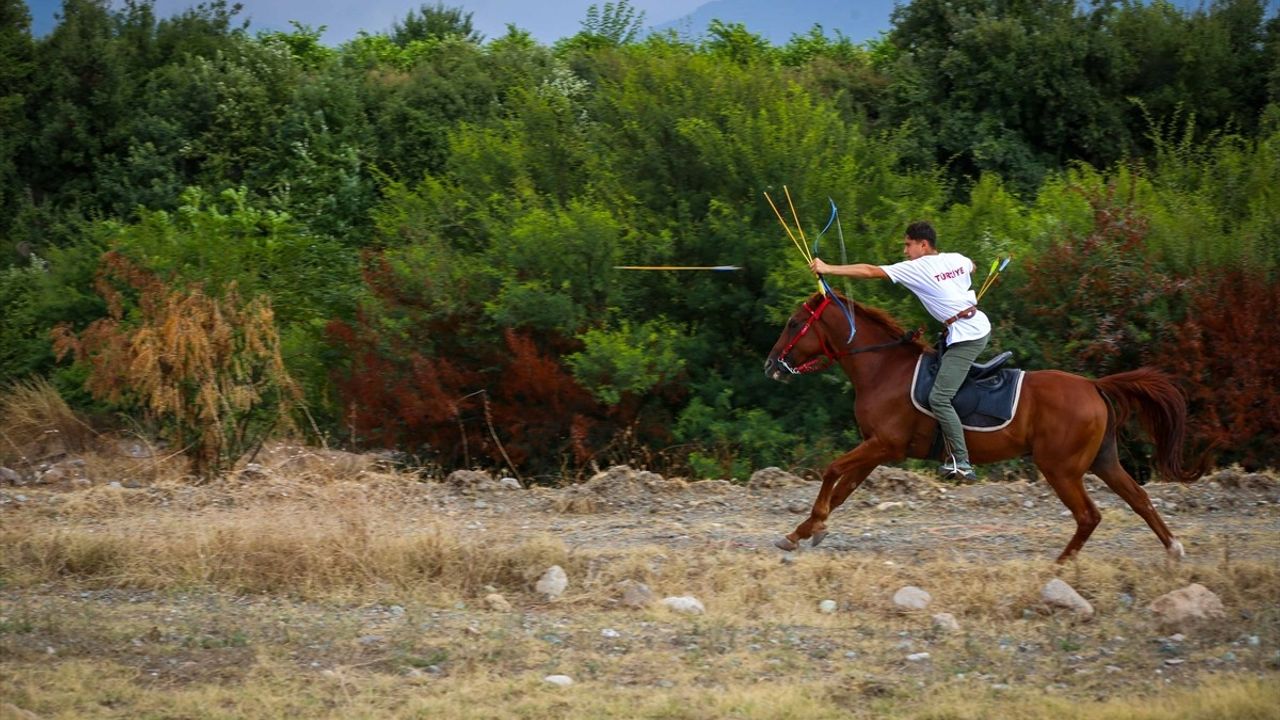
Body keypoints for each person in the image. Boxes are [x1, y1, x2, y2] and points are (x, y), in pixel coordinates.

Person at [809, 221, 990, 482]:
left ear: (923, 245)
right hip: (967, 327)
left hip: (969, 336)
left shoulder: (918, 268)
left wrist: (828, 268)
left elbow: (870, 271)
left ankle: (962, 461)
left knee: (939, 397)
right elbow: (972, 264)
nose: (905, 251)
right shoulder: (956, 259)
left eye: (908, 245)